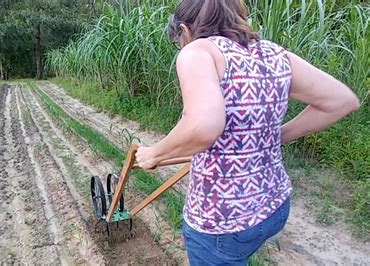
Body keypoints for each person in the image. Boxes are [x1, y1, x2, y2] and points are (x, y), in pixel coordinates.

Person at [135, 0, 360, 265]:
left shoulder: (199, 50)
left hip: (222, 223)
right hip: (274, 207)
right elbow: (342, 100)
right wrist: (275, 135)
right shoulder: (275, 54)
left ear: (185, 30)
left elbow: (203, 126)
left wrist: (154, 153)